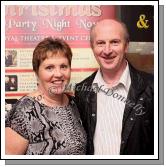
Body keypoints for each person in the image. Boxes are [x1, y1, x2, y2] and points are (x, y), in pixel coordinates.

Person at [75, 19, 154, 155]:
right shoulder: (82, 90)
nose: (107, 50)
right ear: (92, 47)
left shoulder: (153, 87)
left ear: (126, 45)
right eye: (100, 43)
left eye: (114, 42)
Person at [5, 37, 87, 155]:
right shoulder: (24, 111)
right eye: (49, 67)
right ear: (37, 72)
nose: (58, 74)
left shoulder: (74, 104)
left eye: (63, 66)